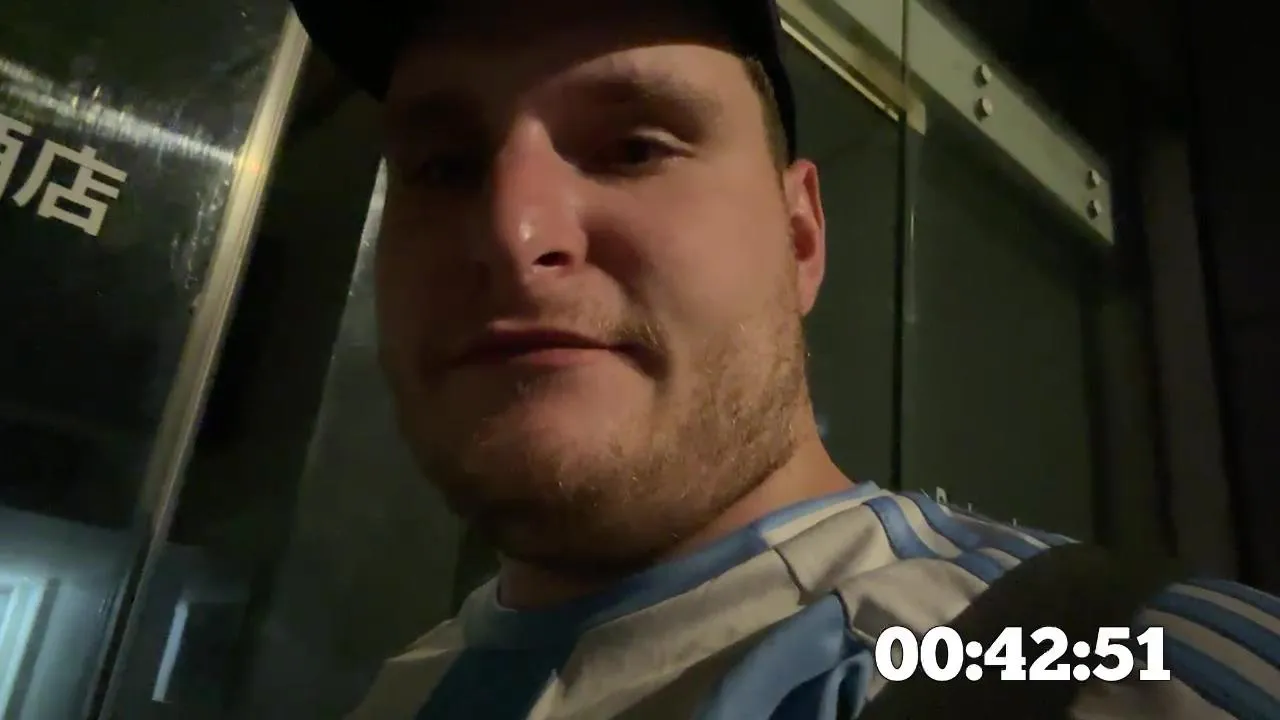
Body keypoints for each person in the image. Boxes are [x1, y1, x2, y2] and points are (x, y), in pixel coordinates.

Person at [289, 0, 1280, 717]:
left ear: (801, 237)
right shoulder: (404, 688)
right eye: (443, 167)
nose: (513, 233)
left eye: (634, 147)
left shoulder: (1099, 669)